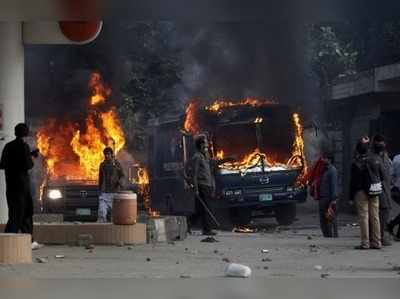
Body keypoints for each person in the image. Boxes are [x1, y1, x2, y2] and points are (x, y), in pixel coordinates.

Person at [0, 123, 39, 247]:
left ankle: (28, 241)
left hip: (10, 186)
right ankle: (8, 243)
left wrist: (28, 155)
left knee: (16, 213)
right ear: (25, 133)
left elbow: (2, 164)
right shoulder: (24, 146)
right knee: (23, 213)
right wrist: (32, 157)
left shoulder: (8, 146)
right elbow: (28, 165)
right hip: (22, 187)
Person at [350, 139, 382, 249]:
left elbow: (353, 181)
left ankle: (365, 243)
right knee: (375, 217)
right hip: (374, 191)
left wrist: (350, 196)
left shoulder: (356, 163)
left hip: (361, 192)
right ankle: (377, 242)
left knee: (364, 217)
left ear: (358, 150)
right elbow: (380, 176)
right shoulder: (375, 160)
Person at [189, 135, 217, 236]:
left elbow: (210, 170)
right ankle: (207, 230)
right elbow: (194, 174)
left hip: (208, 185)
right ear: (200, 145)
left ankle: (188, 223)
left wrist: (213, 185)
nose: (207, 145)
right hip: (201, 185)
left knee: (200, 209)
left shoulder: (206, 156)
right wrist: (196, 189)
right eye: (205, 143)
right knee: (206, 209)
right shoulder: (197, 157)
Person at [371, 134, 393, 246]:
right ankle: (378, 237)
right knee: (381, 212)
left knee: (385, 211)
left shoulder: (385, 156)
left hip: (386, 188)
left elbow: (388, 173)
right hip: (378, 188)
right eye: (379, 142)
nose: (381, 144)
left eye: (382, 142)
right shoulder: (373, 157)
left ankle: (379, 236)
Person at [98, 147, 125, 222]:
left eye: (108, 154)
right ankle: (103, 229)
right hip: (104, 193)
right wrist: (99, 191)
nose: (107, 156)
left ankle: (112, 230)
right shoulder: (102, 165)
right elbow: (100, 178)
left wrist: (120, 182)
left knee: (114, 216)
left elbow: (122, 175)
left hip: (114, 193)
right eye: (105, 154)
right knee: (102, 213)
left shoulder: (116, 164)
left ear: (112, 155)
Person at [318, 151, 338, 238]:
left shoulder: (332, 171)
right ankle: (327, 235)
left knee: (330, 217)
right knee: (323, 218)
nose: (323, 159)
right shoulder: (325, 170)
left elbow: (333, 185)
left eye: (325, 158)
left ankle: (332, 235)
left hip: (328, 198)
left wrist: (333, 199)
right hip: (323, 197)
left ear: (329, 160)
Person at [388, 153, 400, 241]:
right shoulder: (397, 158)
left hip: (395, 188)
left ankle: (391, 225)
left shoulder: (396, 158)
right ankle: (391, 226)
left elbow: (391, 174)